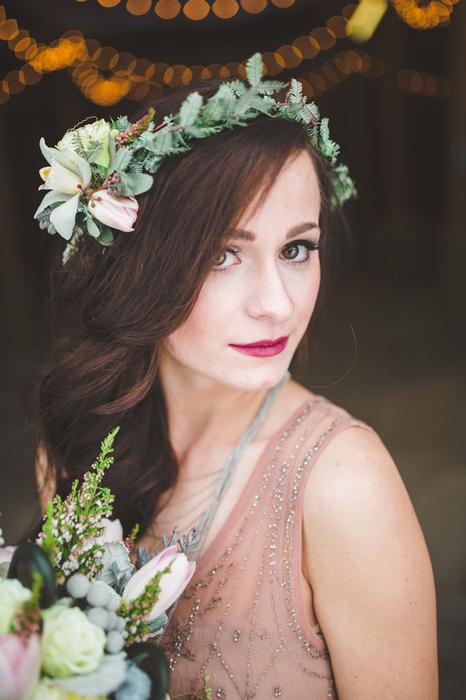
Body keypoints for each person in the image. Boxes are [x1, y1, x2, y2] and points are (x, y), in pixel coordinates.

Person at [31, 57, 438, 699]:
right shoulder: (76, 439)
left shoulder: (343, 485)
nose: (276, 304)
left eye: (296, 249)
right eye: (223, 254)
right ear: (138, 265)